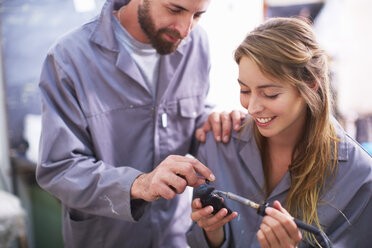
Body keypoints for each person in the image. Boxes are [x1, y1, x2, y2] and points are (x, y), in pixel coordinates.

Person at [36, 0, 245, 247]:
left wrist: (210, 121)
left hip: (175, 237)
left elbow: (186, 118)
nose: (185, 29)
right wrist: (139, 184)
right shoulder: (68, 58)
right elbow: (59, 168)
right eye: (175, 10)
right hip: (107, 238)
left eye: (197, 15)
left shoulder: (196, 44)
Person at [187, 17, 372, 247]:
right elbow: (195, 239)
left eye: (270, 94)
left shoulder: (360, 177)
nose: (252, 108)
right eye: (245, 90)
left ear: (311, 83)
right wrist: (212, 234)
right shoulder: (219, 145)